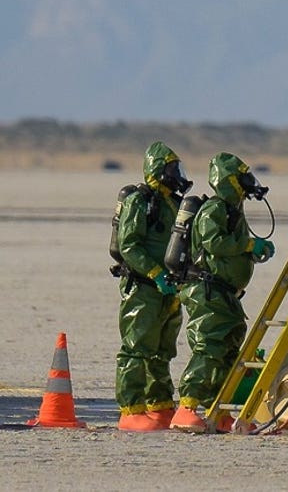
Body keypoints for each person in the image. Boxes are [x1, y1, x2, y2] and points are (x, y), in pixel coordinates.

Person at [170, 152, 274, 433]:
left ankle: (221, 411)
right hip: (207, 291)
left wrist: (250, 253)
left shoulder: (231, 211)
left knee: (229, 350)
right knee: (210, 345)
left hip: (225, 293)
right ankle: (187, 407)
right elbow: (214, 242)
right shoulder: (215, 209)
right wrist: (249, 246)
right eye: (241, 177)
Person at [114, 141, 192, 432]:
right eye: (171, 169)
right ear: (157, 171)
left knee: (162, 350)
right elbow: (129, 244)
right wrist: (156, 273)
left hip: (168, 290)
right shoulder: (140, 201)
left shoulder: (171, 203)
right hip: (144, 288)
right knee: (137, 346)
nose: (176, 174)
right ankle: (131, 409)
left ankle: (159, 405)